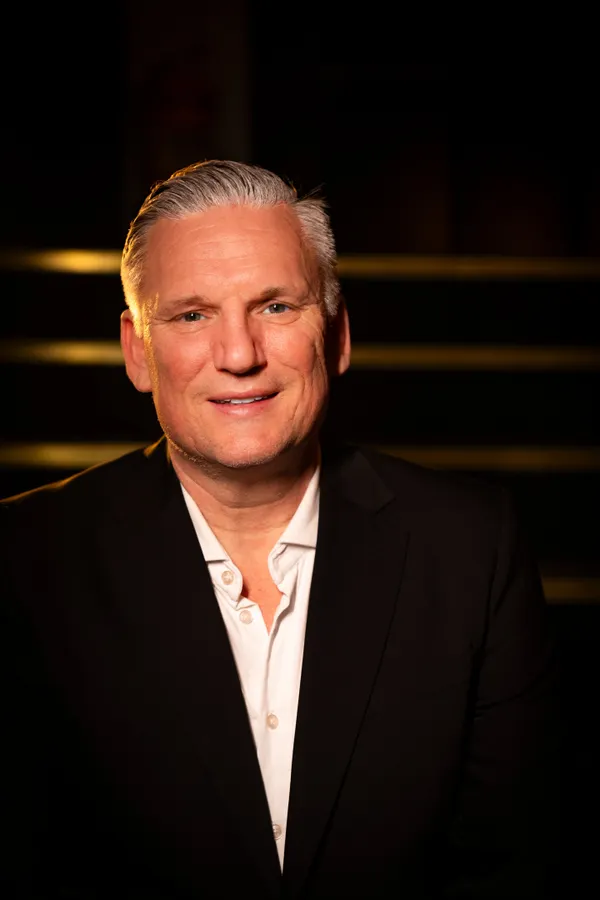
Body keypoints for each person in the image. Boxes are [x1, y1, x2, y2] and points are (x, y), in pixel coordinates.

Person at [1, 161, 558, 899]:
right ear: (138, 352)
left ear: (338, 335)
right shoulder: (26, 560)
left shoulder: (469, 550)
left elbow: (513, 865)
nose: (239, 355)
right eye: (192, 315)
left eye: (275, 306)